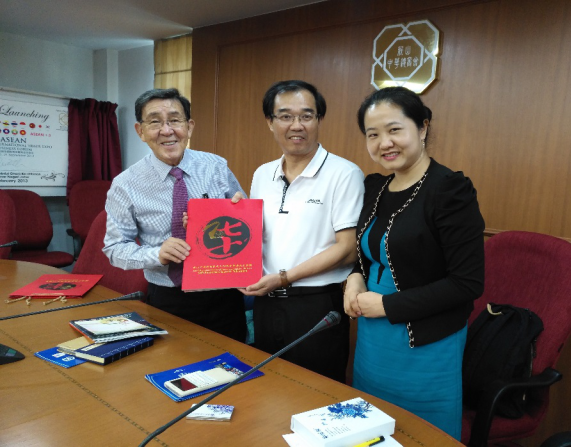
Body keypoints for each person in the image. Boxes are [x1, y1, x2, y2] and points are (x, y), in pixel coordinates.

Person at [344, 86, 485, 439]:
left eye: (394, 130)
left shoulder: (450, 190)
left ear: (422, 128)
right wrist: (355, 277)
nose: (384, 143)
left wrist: (386, 305)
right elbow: (370, 255)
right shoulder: (375, 187)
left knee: (421, 436)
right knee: (370, 431)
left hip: (426, 342)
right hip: (373, 338)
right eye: (372, 134)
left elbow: (467, 283)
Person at [241, 80, 365, 383]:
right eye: (285, 116)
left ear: (319, 119)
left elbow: (347, 248)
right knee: (266, 386)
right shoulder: (262, 174)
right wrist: (219, 221)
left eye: (306, 116)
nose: (296, 125)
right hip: (266, 303)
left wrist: (284, 277)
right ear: (270, 122)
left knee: (315, 390)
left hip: (316, 306)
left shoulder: (344, 173)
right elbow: (256, 236)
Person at [103, 88, 247, 342]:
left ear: (189, 127)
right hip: (168, 297)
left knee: (234, 360)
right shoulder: (125, 184)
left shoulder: (215, 166)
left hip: (224, 294)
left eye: (175, 120)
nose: (167, 130)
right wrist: (156, 254)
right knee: (174, 363)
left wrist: (237, 213)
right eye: (155, 122)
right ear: (140, 131)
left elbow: (247, 224)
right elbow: (114, 248)